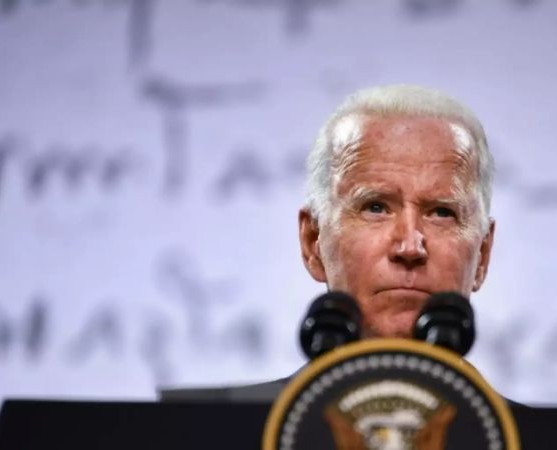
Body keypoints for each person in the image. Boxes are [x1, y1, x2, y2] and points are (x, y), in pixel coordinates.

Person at [160, 84, 496, 401]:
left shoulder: (539, 439)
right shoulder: (198, 434)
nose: (409, 247)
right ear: (312, 241)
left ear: (482, 255)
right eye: (375, 207)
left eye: (441, 212)